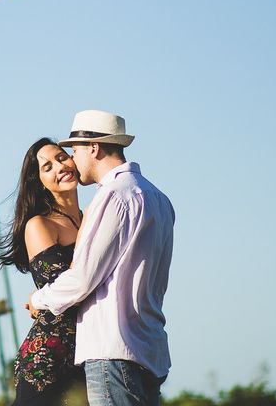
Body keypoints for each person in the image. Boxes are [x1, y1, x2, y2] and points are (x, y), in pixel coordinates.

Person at [27, 110, 176, 406]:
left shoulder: (113, 196)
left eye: (73, 150)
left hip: (114, 349)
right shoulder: (159, 199)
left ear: (93, 148)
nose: (71, 159)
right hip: (150, 348)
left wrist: (39, 300)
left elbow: (83, 278)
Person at [0, 138, 86, 405]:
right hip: (49, 358)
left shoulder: (92, 218)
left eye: (61, 158)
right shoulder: (40, 225)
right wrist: (40, 296)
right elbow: (70, 291)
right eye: (47, 167)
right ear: (40, 182)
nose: (59, 167)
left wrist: (40, 295)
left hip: (90, 354)